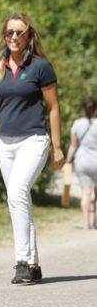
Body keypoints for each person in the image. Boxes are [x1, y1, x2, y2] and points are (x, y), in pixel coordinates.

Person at [0, 13, 64, 284]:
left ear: (28, 36)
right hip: (5, 142)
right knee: (19, 199)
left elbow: (54, 108)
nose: (14, 37)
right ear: (4, 35)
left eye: (19, 33)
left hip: (33, 139)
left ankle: (22, 261)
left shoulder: (41, 67)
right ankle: (34, 264)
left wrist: (57, 146)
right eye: (10, 32)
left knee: (17, 192)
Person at [65, 97, 97, 229]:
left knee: (86, 192)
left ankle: (86, 224)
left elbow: (73, 146)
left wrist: (67, 161)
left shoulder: (77, 124)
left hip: (82, 161)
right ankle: (96, 222)